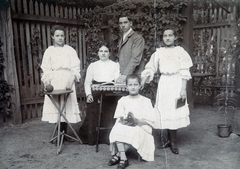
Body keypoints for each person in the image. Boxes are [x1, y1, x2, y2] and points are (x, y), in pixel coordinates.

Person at [141, 27, 193, 154]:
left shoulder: (180, 51)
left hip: (176, 82)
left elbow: (184, 71)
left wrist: (183, 89)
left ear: (175, 37)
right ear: (162, 38)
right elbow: (151, 67)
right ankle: (165, 140)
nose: (168, 38)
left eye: (170, 35)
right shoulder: (159, 52)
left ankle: (173, 142)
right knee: (163, 111)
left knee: (174, 111)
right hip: (164, 83)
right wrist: (144, 79)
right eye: (165, 36)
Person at [41, 25, 81, 142]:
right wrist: (47, 81)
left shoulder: (70, 50)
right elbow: (46, 68)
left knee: (66, 104)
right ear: (52, 37)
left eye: (62, 36)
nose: (60, 38)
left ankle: (65, 132)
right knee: (57, 105)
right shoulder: (49, 51)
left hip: (67, 79)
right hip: (55, 80)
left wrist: (71, 80)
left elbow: (75, 67)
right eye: (57, 36)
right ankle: (59, 133)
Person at [108, 74, 155, 169]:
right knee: (117, 128)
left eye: (135, 85)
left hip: (141, 127)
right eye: (130, 85)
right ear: (126, 87)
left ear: (140, 86)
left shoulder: (146, 101)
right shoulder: (123, 100)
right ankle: (123, 158)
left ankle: (119, 155)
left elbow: (150, 121)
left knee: (134, 131)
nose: (133, 87)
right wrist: (124, 121)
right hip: (127, 126)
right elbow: (119, 117)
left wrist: (136, 121)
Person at [80, 44, 120, 145]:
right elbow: (87, 82)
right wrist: (89, 95)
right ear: (98, 53)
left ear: (109, 53)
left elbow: (116, 80)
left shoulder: (115, 65)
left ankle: (108, 138)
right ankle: (92, 138)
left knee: (110, 110)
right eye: (101, 51)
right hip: (96, 91)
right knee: (92, 110)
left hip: (110, 91)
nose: (103, 53)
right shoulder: (93, 65)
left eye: (106, 51)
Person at [116, 16, 145, 84]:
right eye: (120, 23)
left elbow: (135, 58)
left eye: (125, 22)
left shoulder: (137, 38)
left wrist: (125, 74)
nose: (123, 25)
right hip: (124, 76)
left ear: (131, 23)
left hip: (134, 76)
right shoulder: (122, 38)